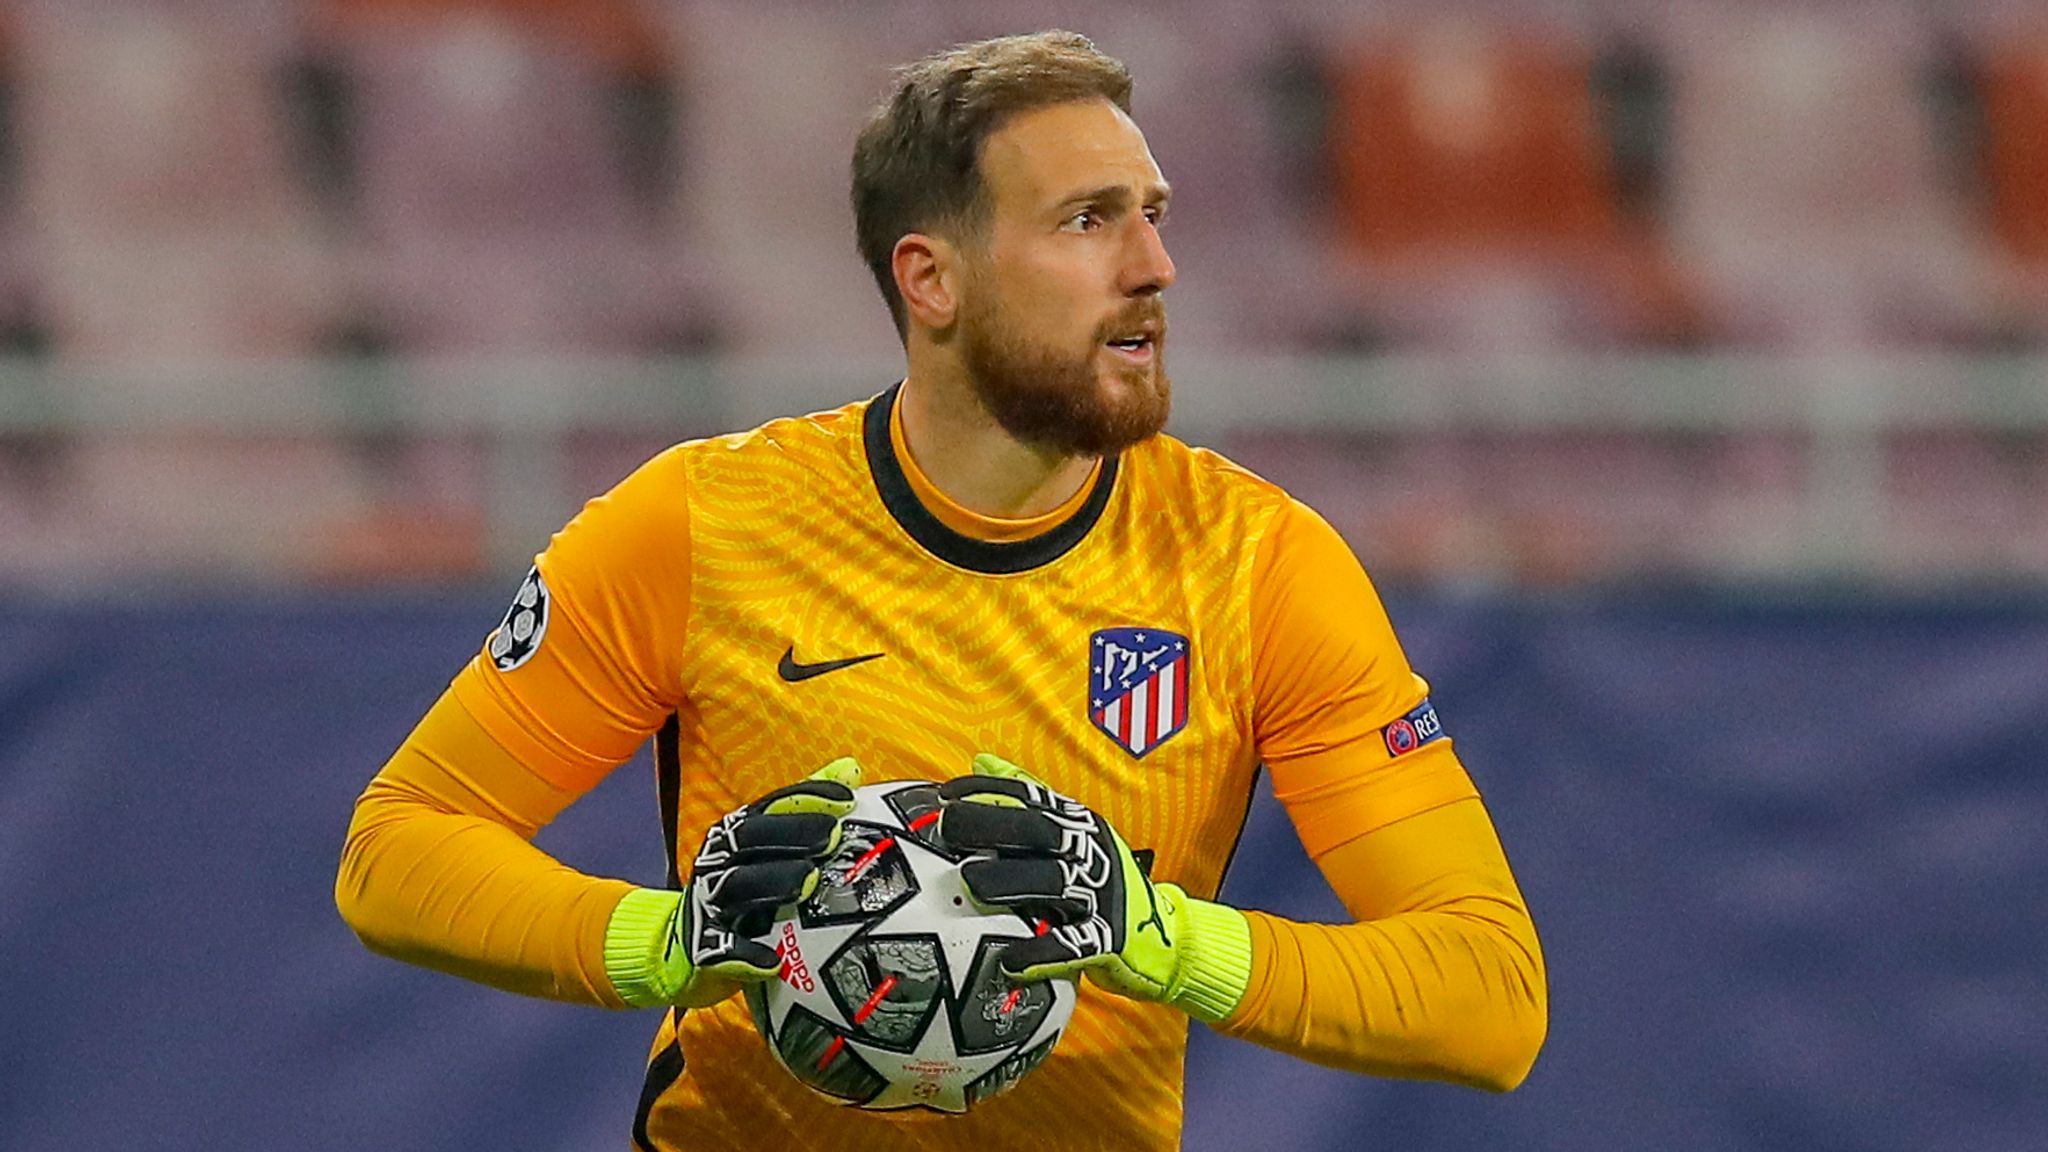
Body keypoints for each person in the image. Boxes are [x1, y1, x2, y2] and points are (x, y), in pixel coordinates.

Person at [336, 29, 1547, 1152]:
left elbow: (1488, 998)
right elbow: (397, 850)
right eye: (1087, 221)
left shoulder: (1258, 563)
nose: (1153, 267)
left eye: (1152, 216)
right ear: (930, 280)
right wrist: (660, 942)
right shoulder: (699, 525)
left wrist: (1162, 941)